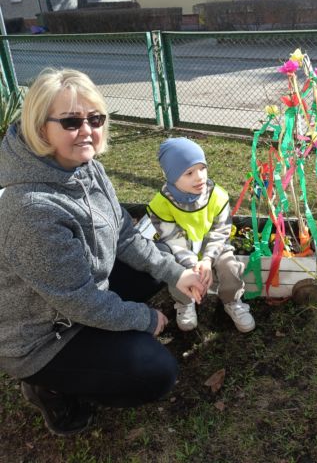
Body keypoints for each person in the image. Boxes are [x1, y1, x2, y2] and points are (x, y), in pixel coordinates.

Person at [0, 68, 206, 437]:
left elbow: (124, 235)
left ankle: (101, 344)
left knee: (155, 264)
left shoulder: (85, 166)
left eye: (95, 119)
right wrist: (143, 318)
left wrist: (176, 273)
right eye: (71, 121)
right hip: (42, 337)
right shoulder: (31, 209)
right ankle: (48, 388)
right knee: (154, 372)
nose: (87, 130)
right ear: (40, 127)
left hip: (74, 296)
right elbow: (79, 302)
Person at [147, 137, 256, 333]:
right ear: (171, 176)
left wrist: (207, 259)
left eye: (202, 168)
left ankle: (232, 300)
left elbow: (221, 230)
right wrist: (191, 265)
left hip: (213, 246)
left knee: (229, 266)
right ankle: (185, 302)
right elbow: (172, 238)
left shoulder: (217, 195)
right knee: (176, 270)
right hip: (182, 250)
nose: (199, 177)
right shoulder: (161, 204)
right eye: (189, 173)